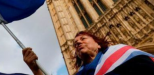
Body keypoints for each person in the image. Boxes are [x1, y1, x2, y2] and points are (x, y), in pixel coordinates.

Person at [22, 31, 154, 75]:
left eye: (83, 39)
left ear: (98, 44)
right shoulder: (82, 73)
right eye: (75, 43)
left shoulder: (123, 53)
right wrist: (36, 70)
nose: (78, 43)